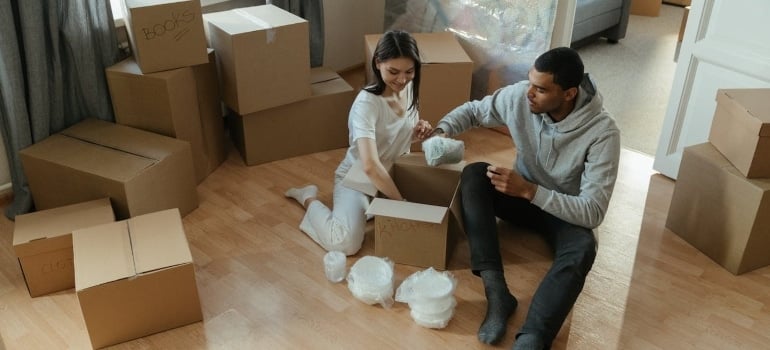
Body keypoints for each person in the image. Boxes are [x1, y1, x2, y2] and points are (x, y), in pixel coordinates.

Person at [432, 47, 620, 349]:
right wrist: (442, 130)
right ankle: (498, 295)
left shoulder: (603, 133)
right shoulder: (522, 96)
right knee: (475, 175)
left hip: (562, 211)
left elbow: (594, 211)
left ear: (569, 93)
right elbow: (474, 111)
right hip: (520, 195)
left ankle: (532, 337)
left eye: (541, 89)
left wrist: (531, 191)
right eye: (530, 82)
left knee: (583, 247)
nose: (529, 93)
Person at [285, 30, 432, 256]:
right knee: (345, 244)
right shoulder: (367, 105)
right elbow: (370, 166)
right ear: (378, 63)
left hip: (389, 174)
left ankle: (368, 210)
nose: (402, 80)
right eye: (393, 71)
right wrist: (401, 203)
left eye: (409, 71)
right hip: (358, 177)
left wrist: (417, 131)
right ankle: (308, 198)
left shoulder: (407, 87)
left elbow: (395, 136)